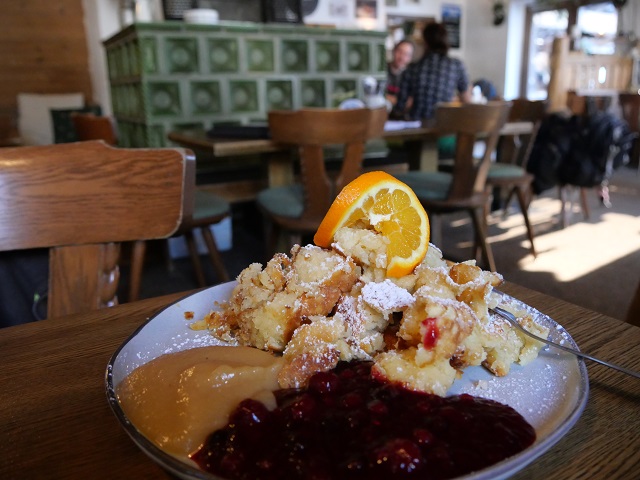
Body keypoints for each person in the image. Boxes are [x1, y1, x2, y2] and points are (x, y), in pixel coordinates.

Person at [396, 22, 472, 121]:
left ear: (425, 42)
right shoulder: (456, 65)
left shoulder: (413, 68)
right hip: (444, 128)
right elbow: (467, 101)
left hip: (417, 128)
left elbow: (400, 106)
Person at [385, 40, 414, 119]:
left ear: (410, 58)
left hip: (401, 119)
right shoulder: (382, 71)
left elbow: (408, 103)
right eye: (399, 51)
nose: (402, 57)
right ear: (393, 51)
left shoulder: (412, 77)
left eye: (406, 54)